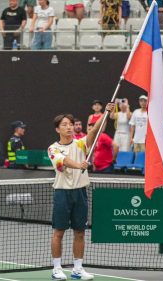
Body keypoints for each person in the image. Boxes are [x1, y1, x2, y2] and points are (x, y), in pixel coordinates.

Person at [47, 102, 114, 281]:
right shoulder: (53, 149)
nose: (69, 127)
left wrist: (105, 115)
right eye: (65, 125)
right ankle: (57, 268)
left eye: (70, 124)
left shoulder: (80, 143)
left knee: (80, 232)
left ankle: (77, 269)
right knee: (59, 232)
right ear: (57, 129)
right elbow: (65, 162)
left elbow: (94, 132)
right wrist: (80, 165)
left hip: (80, 193)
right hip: (62, 193)